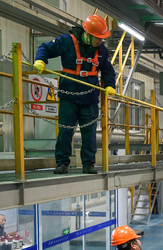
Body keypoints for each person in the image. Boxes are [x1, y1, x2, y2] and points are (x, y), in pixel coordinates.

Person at [33, 14, 116, 175]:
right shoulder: (67, 41)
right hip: (69, 95)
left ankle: (88, 164)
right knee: (65, 131)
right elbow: (45, 48)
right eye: (97, 38)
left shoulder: (102, 51)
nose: (100, 41)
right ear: (88, 34)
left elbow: (108, 72)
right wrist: (41, 60)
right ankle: (62, 163)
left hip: (90, 98)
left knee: (89, 133)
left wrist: (110, 85)